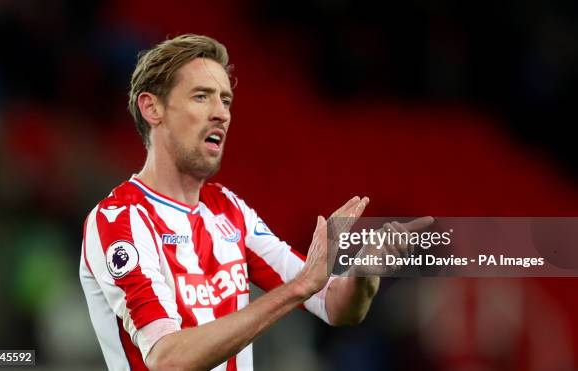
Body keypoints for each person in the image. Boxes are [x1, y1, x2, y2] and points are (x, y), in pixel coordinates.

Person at [79, 34, 428, 371]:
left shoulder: (230, 211)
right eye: (201, 97)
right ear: (152, 108)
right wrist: (297, 289)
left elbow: (335, 305)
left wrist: (364, 273)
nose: (221, 113)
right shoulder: (120, 219)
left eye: (225, 100)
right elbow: (169, 360)